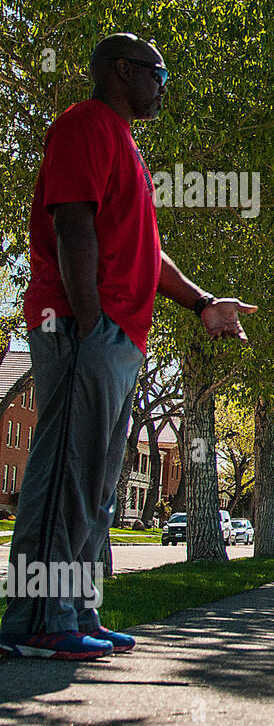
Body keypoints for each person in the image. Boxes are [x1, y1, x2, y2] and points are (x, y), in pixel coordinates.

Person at [0, 34, 256, 661]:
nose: (163, 85)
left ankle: (77, 611)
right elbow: (72, 222)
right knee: (64, 473)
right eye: (157, 72)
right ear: (121, 71)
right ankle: (35, 618)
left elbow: (148, 251)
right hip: (82, 329)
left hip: (116, 336)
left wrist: (202, 304)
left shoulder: (126, 147)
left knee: (94, 482)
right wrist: (90, 321)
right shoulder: (84, 127)